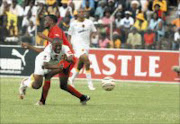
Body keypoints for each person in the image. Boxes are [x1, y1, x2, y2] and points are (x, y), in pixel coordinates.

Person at [19, 38, 90, 105]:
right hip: (41, 63)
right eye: (56, 46)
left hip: (54, 64)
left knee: (51, 78)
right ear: (52, 45)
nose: (58, 47)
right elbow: (45, 65)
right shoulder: (48, 49)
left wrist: (67, 59)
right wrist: (58, 67)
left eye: (60, 45)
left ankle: (42, 101)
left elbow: (70, 57)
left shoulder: (65, 48)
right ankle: (25, 82)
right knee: (37, 86)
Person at [68, 8, 97, 90]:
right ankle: (90, 84)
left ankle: (72, 78)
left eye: (83, 11)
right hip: (77, 44)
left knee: (81, 64)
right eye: (80, 12)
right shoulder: (73, 24)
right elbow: (69, 35)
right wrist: (69, 45)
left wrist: (92, 37)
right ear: (77, 14)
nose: (82, 13)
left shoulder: (89, 22)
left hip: (86, 45)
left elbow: (94, 31)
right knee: (87, 62)